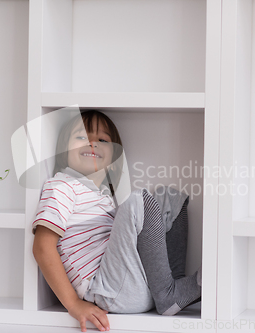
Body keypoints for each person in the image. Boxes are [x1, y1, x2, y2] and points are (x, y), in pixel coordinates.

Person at [32, 110, 201, 332]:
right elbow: (42, 247)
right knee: (137, 200)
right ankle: (169, 295)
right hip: (107, 292)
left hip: (137, 284)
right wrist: (73, 304)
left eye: (102, 140)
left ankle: (171, 285)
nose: (92, 143)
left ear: (113, 159)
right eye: (82, 137)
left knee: (169, 197)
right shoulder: (61, 186)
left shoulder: (102, 196)